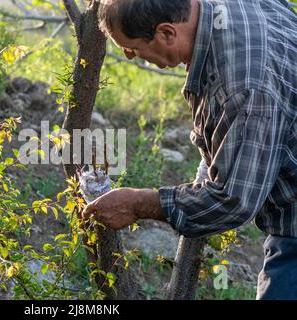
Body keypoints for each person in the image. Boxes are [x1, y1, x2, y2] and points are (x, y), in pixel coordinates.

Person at [82, 0, 297, 299]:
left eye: (130, 46)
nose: (129, 56)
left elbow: (232, 201)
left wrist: (138, 204)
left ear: (167, 33)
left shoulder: (244, 86)